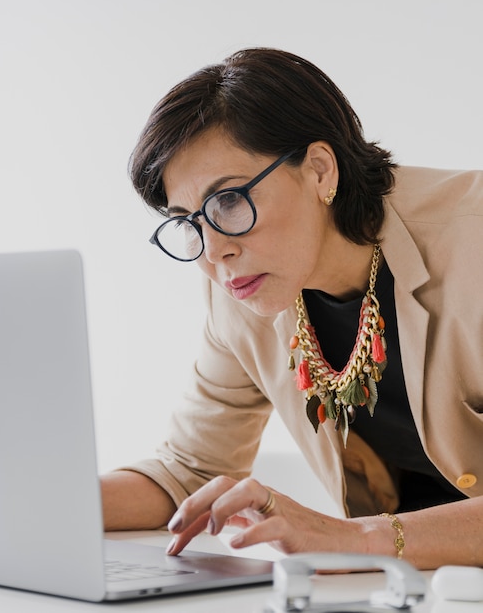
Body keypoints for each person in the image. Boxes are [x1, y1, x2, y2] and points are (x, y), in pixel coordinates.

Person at [101, 47, 483, 570]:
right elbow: (189, 470)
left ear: (320, 170)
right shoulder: (240, 290)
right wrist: (34, 505)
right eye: (188, 223)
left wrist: (357, 540)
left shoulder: (473, 241)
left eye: (229, 201)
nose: (213, 253)